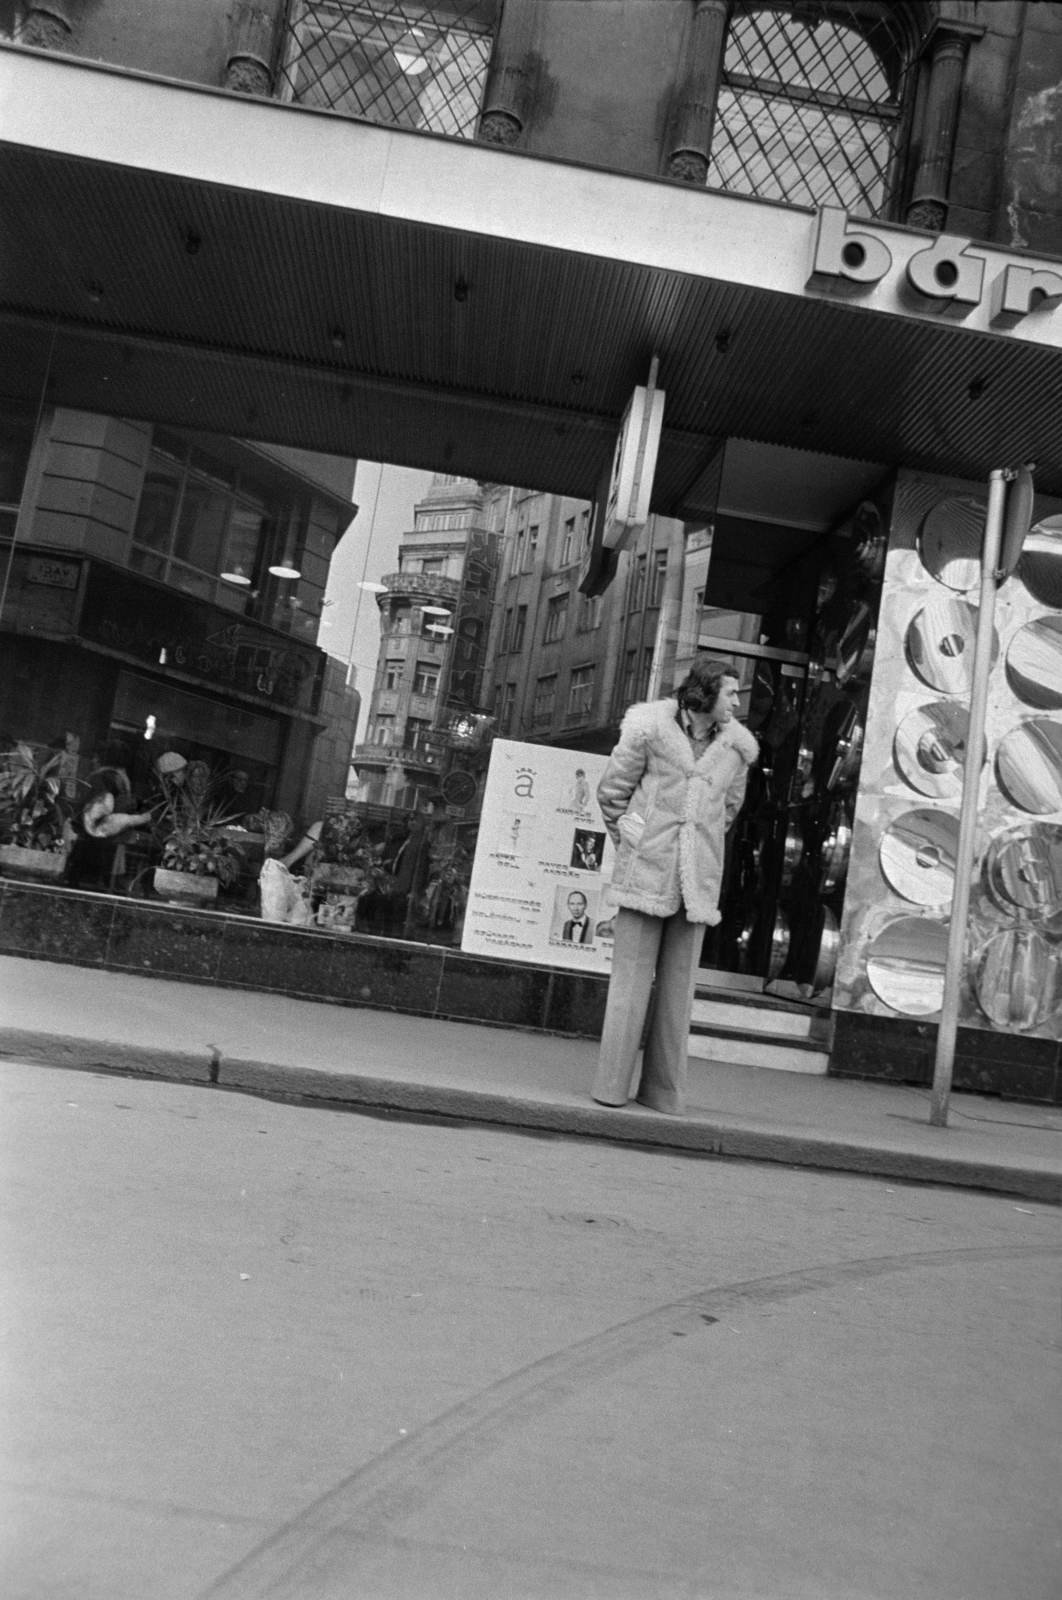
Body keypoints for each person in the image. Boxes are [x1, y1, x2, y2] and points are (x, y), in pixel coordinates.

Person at [591, 658, 758, 1116]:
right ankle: (611, 1087)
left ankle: (663, 1094)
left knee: (678, 992)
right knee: (629, 988)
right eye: (730, 694)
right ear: (704, 695)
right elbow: (613, 793)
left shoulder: (737, 750)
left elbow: (728, 809)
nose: (738, 703)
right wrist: (637, 840)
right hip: (646, 870)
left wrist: (698, 847)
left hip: (696, 881)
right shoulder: (649, 729)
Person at [66, 775, 153, 890]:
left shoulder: (107, 813)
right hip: (97, 856)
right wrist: (147, 816)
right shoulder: (111, 816)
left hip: (90, 857)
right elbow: (131, 819)